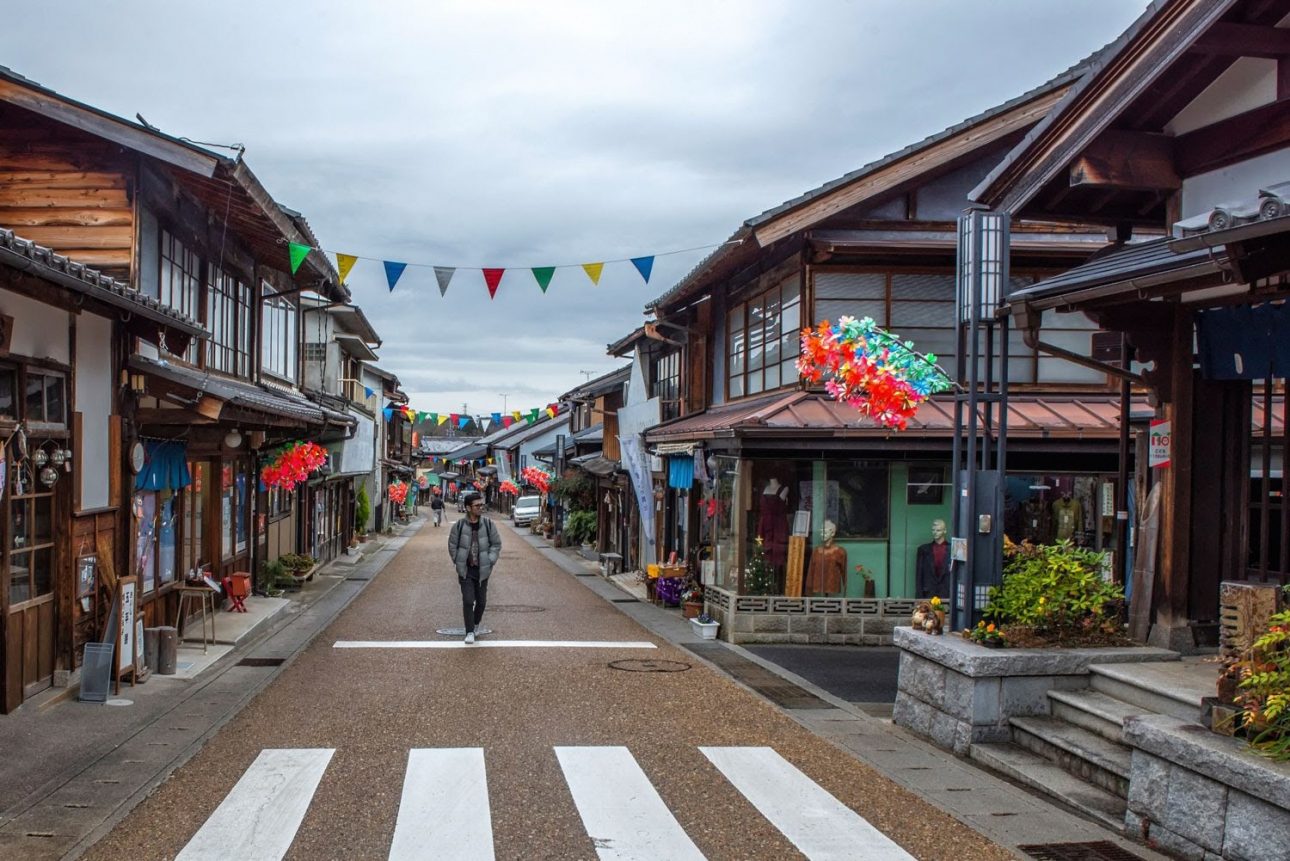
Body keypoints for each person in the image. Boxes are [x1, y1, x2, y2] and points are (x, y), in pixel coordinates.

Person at [448, 492, 501, 644]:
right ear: (468, 508)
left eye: (481, 505)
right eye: (477, 505)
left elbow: (496, 544)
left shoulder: (489, 524)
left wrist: (490, 560)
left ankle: (476, 624)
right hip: (466, 570)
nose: (480, 508)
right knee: (468, 600)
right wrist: (458, 561)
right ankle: (469, 631)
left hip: (483, 570)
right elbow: (452, 545)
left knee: (482, 602)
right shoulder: (459, 526)